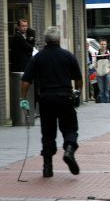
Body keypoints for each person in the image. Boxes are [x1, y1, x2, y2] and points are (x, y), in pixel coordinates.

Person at [20, 26, 83, 178]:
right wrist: (77, 93)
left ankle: (47, 167)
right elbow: (78, 79)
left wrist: (23, 98)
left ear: (45, 40)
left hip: (46, 99)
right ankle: (68, 149)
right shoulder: (68, 56)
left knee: (48, 133)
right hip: (64, 98)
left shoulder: (38, 57)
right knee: (70, 128)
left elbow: (26, 81)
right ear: (59, 39)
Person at [95, 38, 110, 103]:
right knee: (101, 91)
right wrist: (97, 71)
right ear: (99, 45)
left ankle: (107, 104)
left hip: (107, 74)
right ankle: (102, 105)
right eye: (102, 44)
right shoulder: (96, 53)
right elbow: (94, 64)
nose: (103, 45)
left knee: (107, 90)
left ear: (106, 45)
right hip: (99, 74)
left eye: (104, 44)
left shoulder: (109, 53)